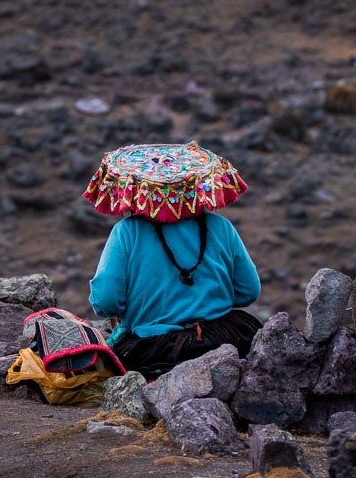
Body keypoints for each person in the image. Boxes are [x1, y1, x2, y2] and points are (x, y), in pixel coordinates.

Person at [83, 141, 262, 378]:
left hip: (154, 349)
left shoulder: (126, 232)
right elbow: (248, 291)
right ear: (197, 187)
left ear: (136, 191)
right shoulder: (222, 227)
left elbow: (105, 300)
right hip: (224, 340)